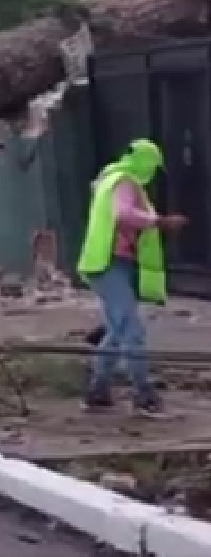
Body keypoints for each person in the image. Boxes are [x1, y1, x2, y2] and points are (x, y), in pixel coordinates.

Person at [78, 138, 186, 416]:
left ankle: (97, 391)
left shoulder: (108, 179)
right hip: (110, 262)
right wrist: (159, 222)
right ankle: (144, 394)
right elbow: (123, 214)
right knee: (132, 331)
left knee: (117, 330)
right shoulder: (124, 181)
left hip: (107, 262)